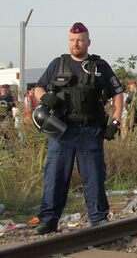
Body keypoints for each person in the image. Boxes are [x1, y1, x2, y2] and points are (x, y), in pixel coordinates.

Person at [33, 22, 124, 234]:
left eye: (81, 39)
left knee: (93, 177)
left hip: (90, 131)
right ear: (69, 42)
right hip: (60, 131)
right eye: (73, 40)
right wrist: (44, 97)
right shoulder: (58, 64)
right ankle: (49, 220)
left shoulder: (100, 67)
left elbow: (117, 93)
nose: (76, 43)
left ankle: (98, 220)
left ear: (88, 42)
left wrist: (116, 121)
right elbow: (38, 87)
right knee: (55, 177)